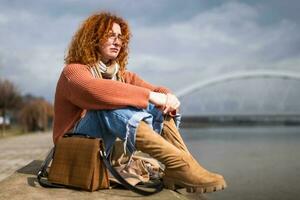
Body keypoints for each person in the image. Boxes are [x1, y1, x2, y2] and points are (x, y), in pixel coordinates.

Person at [53, 11, 227, 193]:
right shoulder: (73, 72)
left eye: (120, 37)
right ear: (93, 38)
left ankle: (184, 167)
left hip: (106, 152)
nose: (117, 41)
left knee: (158, 108)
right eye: (110, 35)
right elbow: (95, 91)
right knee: (107, 106)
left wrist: (168, 97)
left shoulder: (121, 75)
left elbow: (155, 90)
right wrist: (150, 96)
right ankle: (181, 164)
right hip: (73, 152)